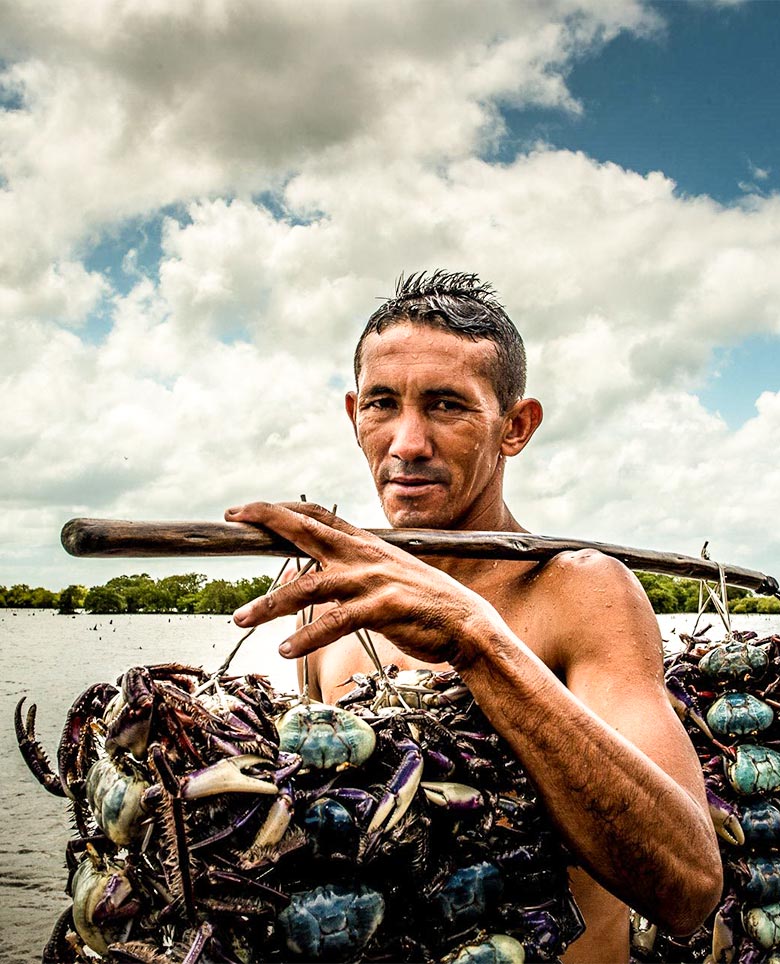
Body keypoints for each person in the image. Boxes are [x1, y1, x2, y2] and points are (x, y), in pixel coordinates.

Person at [225, 271, 722, 963]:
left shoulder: (580, 593)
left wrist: (475, 638)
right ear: (352, 416)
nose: (407, 442)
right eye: (381, 405)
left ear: (514, 427)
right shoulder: (333, 602)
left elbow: (689, 889)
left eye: (446, 405)